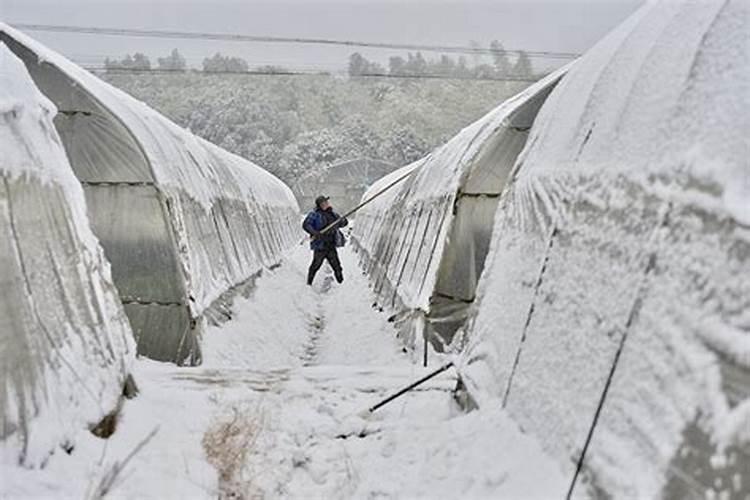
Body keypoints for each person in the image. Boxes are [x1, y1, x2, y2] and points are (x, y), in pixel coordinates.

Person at [302, 195, 348, 286]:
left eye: (326, 202)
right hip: (320, 245)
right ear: (319, 205)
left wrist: (343, 221)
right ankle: (309, 283)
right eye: (323, 203)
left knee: (336, 265)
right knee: (316, 265)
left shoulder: (333, 214)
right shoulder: (314, 214)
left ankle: (341, 284)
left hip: (331, 244)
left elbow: (342, 223)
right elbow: (306, 225)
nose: (326, 204)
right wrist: (315, 233)